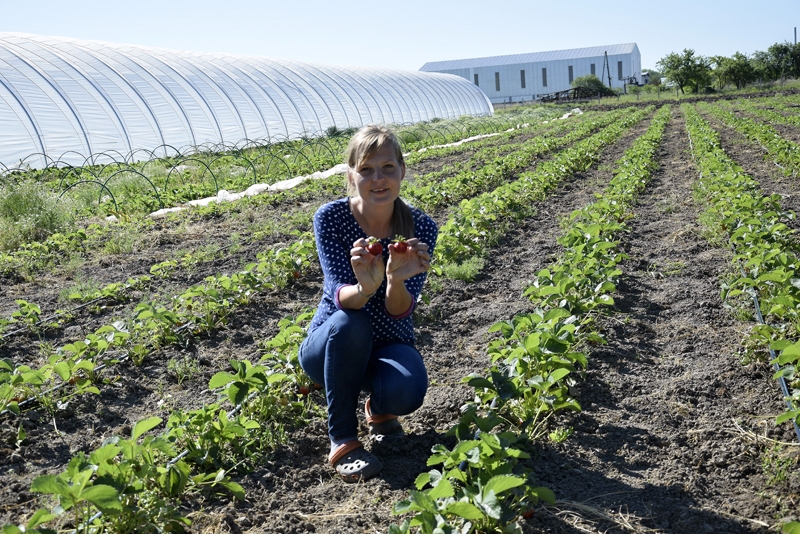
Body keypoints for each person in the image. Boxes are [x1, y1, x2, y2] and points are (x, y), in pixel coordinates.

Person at [298, 125, 437, 483]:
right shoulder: (331, 218)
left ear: (402, 171)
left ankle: (379, 408)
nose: (378, 179)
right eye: (366, 169)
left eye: (388, 168)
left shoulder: (419, 228)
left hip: (390, 341)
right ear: (351, 175)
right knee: (352, 320)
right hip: (331, 345)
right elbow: (337, 293)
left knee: (407, 390)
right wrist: (364, 288)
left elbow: (399, 310)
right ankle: (342, 438)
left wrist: (392, 280)